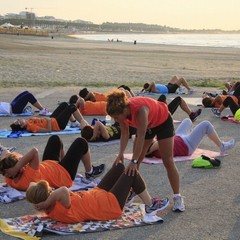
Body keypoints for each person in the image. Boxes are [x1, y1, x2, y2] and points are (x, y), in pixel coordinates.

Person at [106, 89, 185, 212]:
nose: (116, 120)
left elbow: (141, 137)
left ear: (125, 110)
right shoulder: (121, 114)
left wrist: (133, 160)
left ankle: (177, 197)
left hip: (163, 121)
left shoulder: (140, 110)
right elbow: (124, 134)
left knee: (167, 160)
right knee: (135, 164)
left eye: (116, 117)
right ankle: (134, 190)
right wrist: (121, 154)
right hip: (149, 125)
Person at [26, 163, 170, 223]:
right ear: (48, 197)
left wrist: (45, 201)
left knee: (119, 167)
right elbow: (63, 190)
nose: (53, 190)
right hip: (108, 205)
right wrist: (47, 201)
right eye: (50, 191)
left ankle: (128, 195)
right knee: (131, 172)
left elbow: (36, 189)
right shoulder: (59, 204)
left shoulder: (51, 205)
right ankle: (150, 205)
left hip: (97, 194)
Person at [0, 135, 105, 191]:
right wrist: (17, 166)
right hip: (64, 174)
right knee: (81, 142)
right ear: (19, 168)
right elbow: (34, 151)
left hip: (49, 166)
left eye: (5, 173)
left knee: (55, 139)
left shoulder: (10, 179)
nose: (6, 175)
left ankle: (64, 161)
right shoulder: (29, 178)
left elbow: (6, 153)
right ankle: (90, 172)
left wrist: (13, 168)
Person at [144, 118, 235, 158]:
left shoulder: (154, 144)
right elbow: (162, 137)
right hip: (187, 145)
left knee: (187, 121)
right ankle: (222, 146)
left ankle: (194, 135)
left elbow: (135, 136)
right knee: (206, 124)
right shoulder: (154, 147)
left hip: (179, 137)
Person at [9, 102, 89, 133]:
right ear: (22, 126)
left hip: (52, 119)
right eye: (19, 121)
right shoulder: (31, 127)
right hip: (57, 124)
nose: (20, 119)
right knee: (72, 107)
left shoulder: (28, 121)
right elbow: (48, 130)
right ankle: (83, 123)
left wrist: (49, 119)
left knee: (64, 104)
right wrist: (49, 121)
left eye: (17, 119)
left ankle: (74, 123)